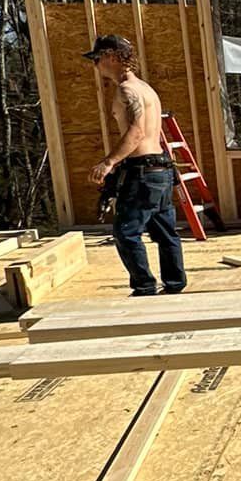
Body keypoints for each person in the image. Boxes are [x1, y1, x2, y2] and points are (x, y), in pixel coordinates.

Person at [83, 33, 187, 297]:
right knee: (165, 232)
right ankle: (175, 285)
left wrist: (109, 162)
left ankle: (144, 287)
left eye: (97, 59)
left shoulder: (127, 90)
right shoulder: (145, 88)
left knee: (126, 232)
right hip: (161, 170)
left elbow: (137, 131)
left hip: (143, 171)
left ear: (111, 56)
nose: (96, 65)